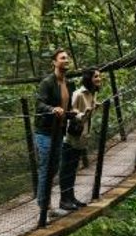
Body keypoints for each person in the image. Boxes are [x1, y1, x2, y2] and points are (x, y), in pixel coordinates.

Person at [33, 48, 73, 216]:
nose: (66, 60)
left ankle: (45, 203)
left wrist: (74, 112)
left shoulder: (69, 83)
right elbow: (39, 105)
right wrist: (52, 109)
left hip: (59, 132)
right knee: (46, 168)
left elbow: (67, 108)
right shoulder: (47, 83)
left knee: (54, 168)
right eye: (62, 58)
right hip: (45, 132)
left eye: (67, 58)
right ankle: (44, 208)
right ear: (54, 62)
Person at [61, 67, 103, 210]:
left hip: (81, 137)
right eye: (96, 76)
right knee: (67, 168)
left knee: (73, 168)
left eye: (99, 77)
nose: (99, 79)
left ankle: (71, 198)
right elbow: (69, 113)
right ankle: (64, 200)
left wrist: (93, 108)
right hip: (71, 137)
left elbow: (86, 114)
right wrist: (83, 113)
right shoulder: (79, 94)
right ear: (88, 78)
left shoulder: (92, 93)